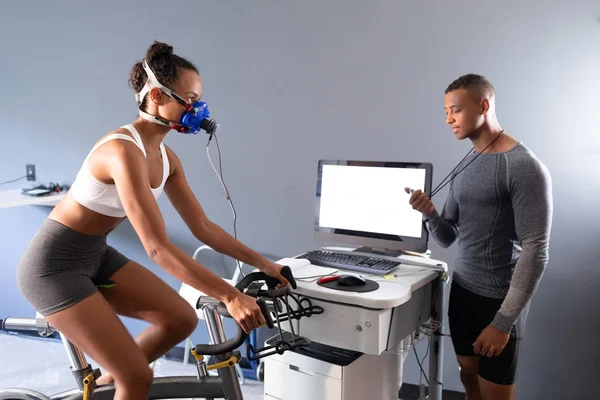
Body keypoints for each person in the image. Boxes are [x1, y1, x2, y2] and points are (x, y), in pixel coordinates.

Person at [16, 41, 290, 400]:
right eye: (189, 99)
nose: (198, 108)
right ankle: (123, 380)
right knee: (136, 378)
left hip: (95, 256)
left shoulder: (166, 157)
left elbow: (203, 228)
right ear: (158, 96)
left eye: (199, 99)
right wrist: (230, 295)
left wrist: (265, 264)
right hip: (52, 269)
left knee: (181, 319)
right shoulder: (121, 151)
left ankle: (102, 387)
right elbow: (157, 249)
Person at [406, 74, 552, 400]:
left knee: (494, 393)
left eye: (455, 110)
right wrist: (429, 214)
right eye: (445, 111)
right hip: (462, 294)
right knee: (469, 380)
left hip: (498, 300)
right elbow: (448, 236)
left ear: (483, 106)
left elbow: (536, 250)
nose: (448, 120)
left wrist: (502, 323)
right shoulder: (466, 163)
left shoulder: (523, 166)